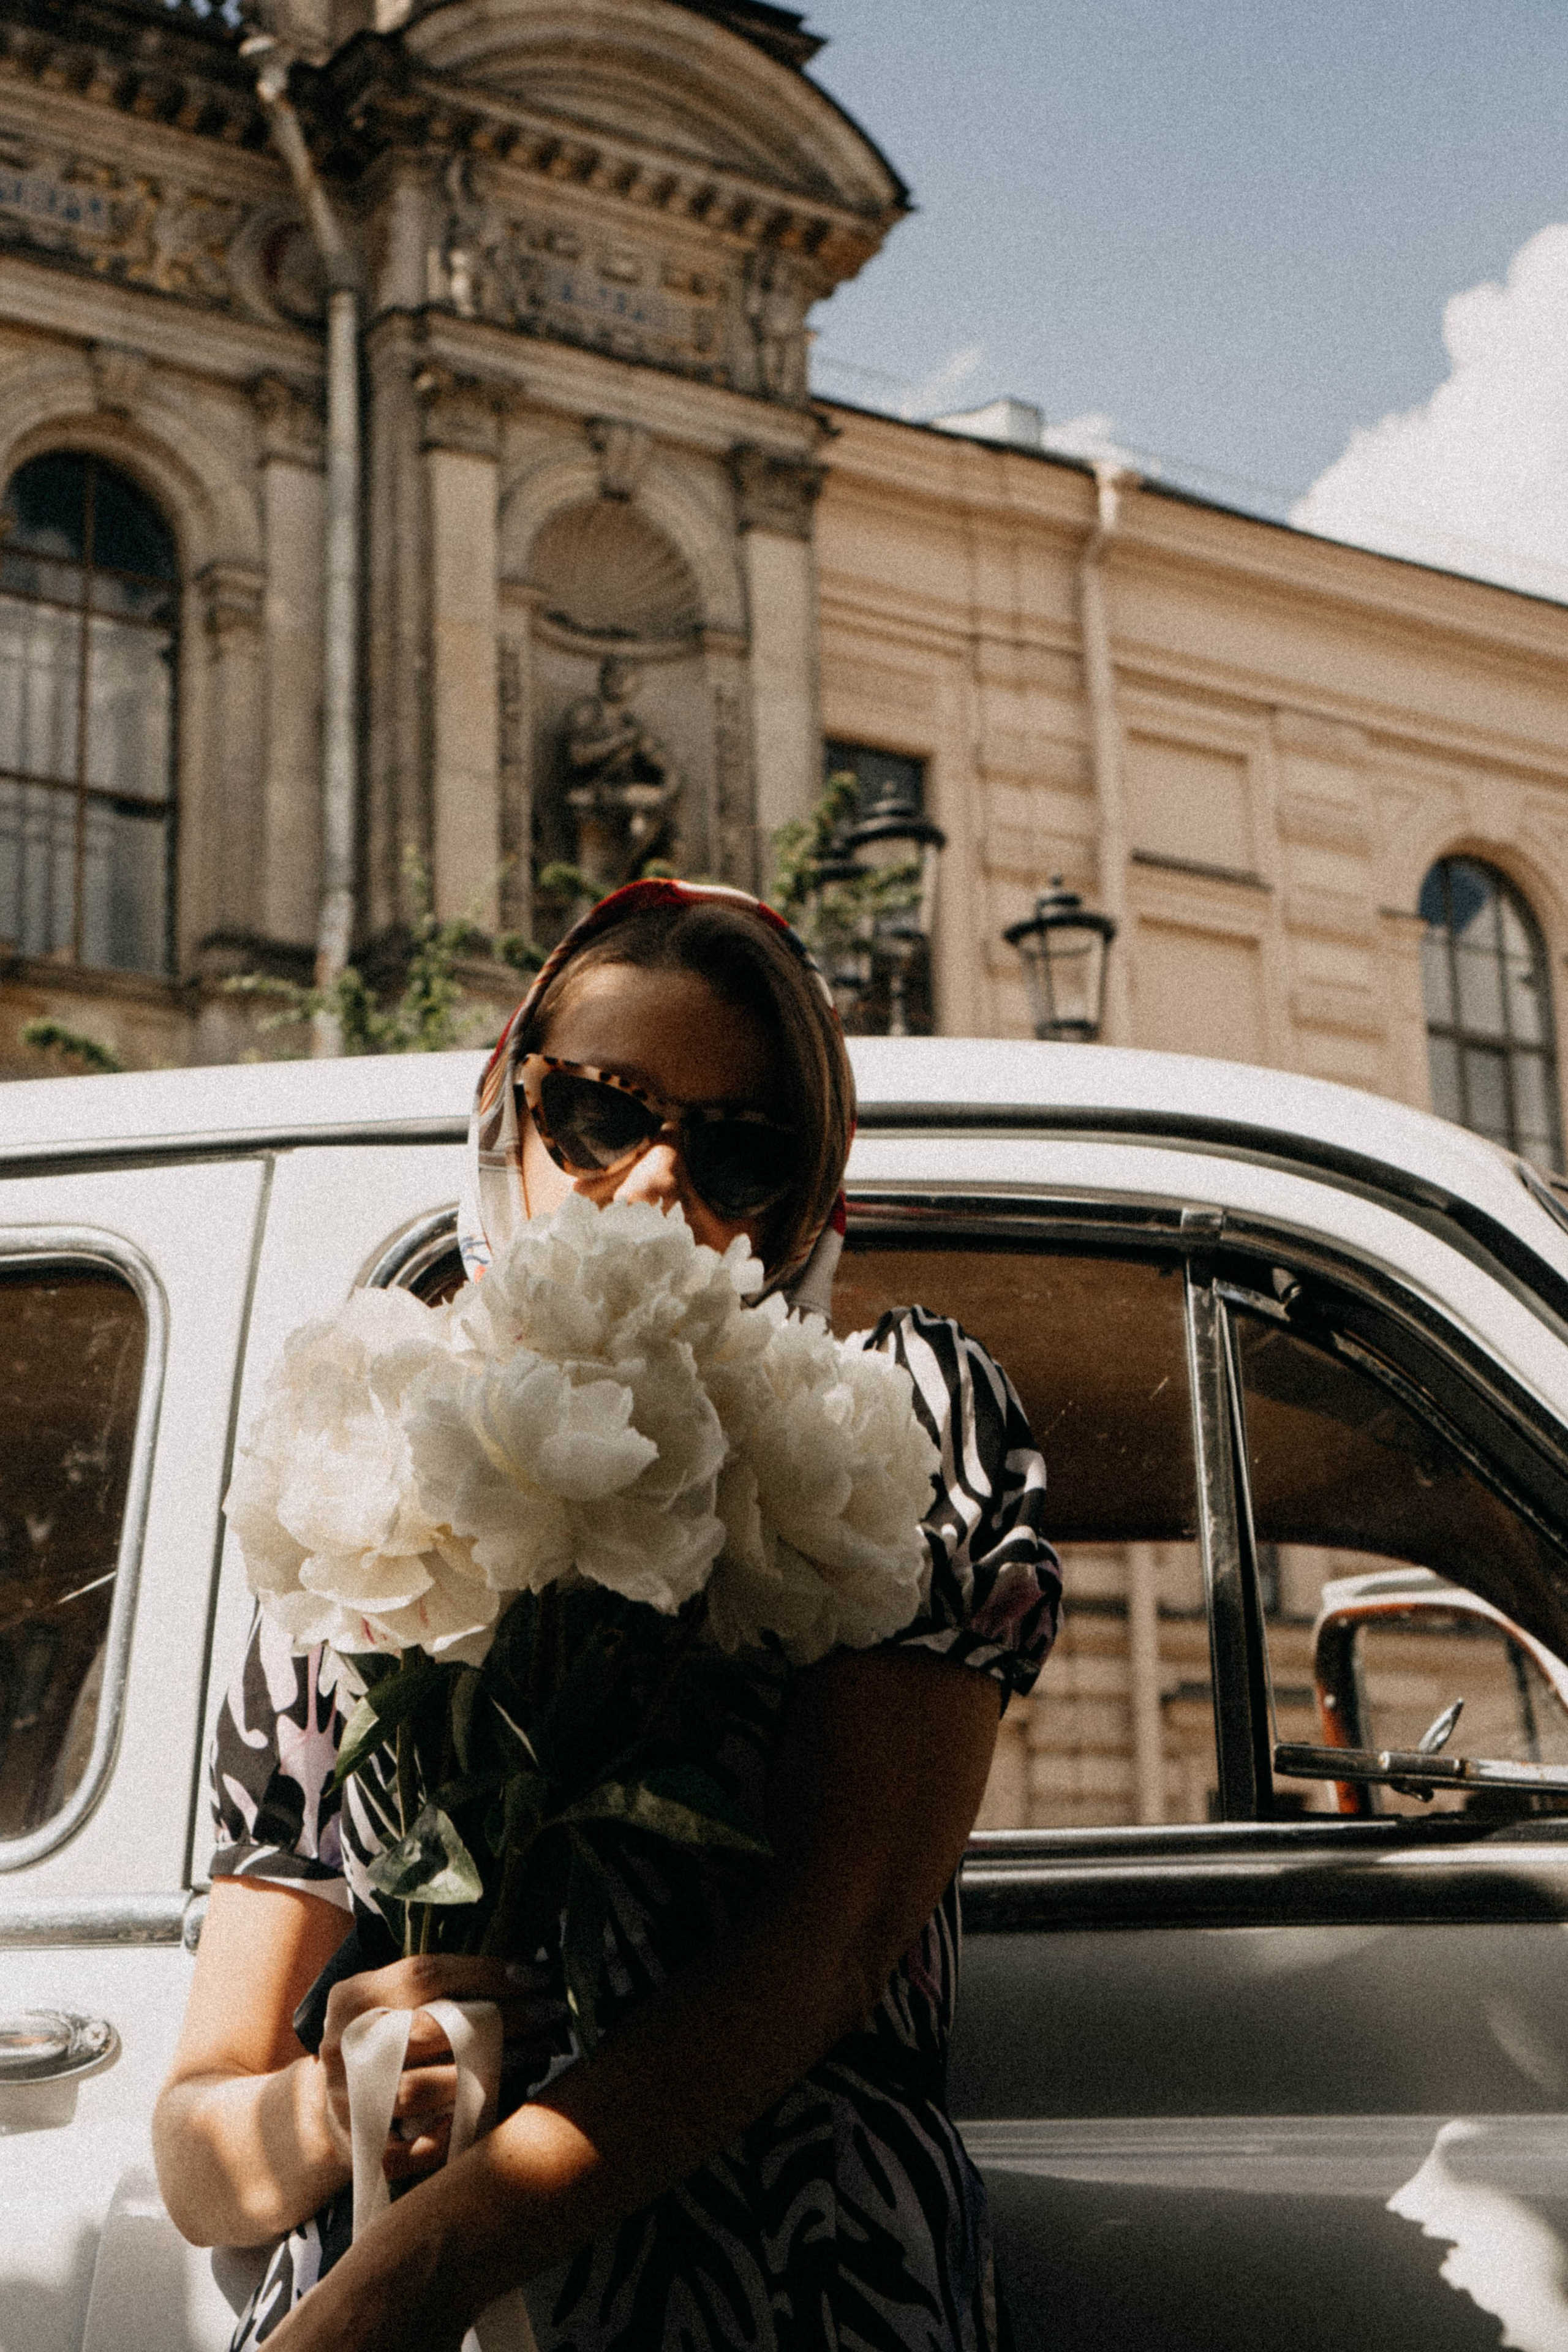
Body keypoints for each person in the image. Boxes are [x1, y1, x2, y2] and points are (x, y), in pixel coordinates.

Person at [154, 880, 1061, 2352]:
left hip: (779, 2300)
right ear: (509, 1122)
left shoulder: (892, 1426)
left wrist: (400, 2285)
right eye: (597, 1113)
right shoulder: (364, 1465)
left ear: (808, 1192)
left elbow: (827, 1950)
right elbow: (199, 2150)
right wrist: (341, 2100)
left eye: (739, 1148)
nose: (651, 1182)